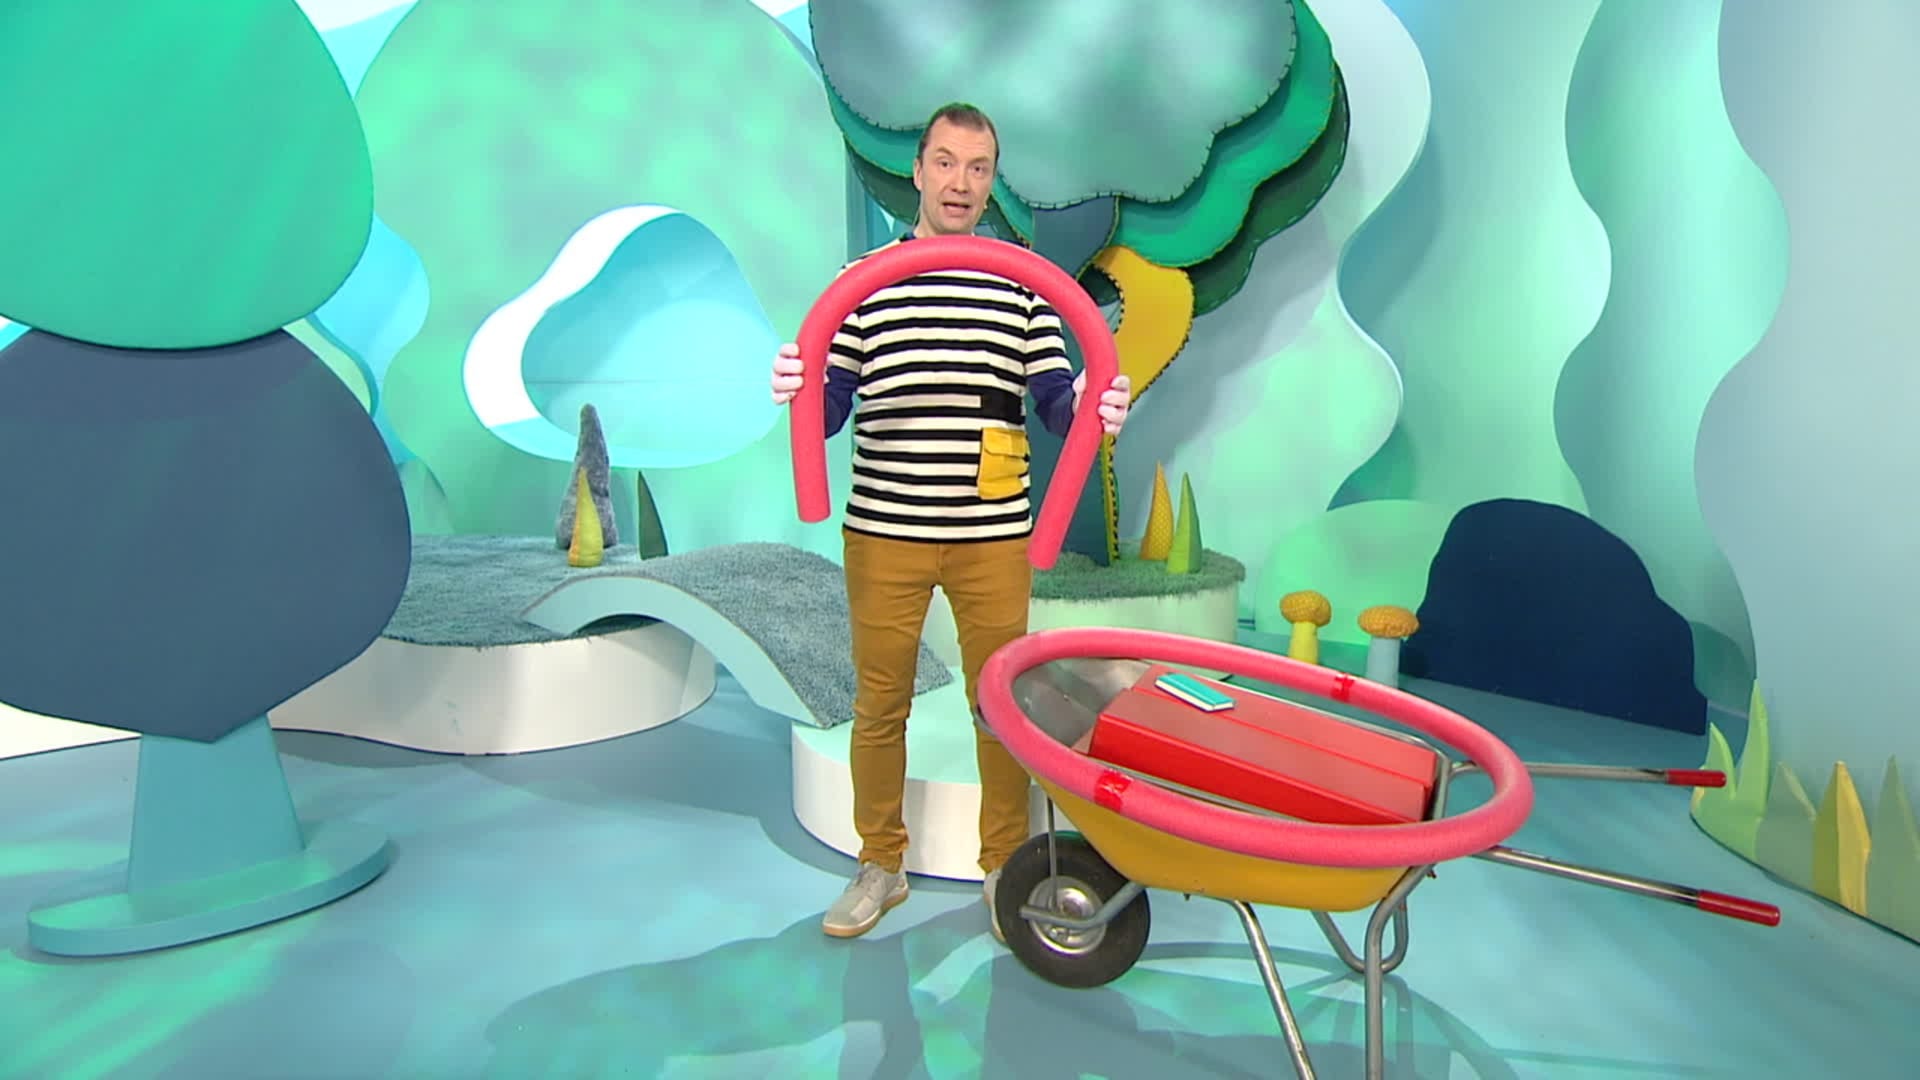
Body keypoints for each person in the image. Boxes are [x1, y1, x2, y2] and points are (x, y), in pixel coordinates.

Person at [770, 102, 1132, 941]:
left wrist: (1092, 401)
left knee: (1000, 704)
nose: (960, 183)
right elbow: (831, 408)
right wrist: (798, 385)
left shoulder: (1023, 283)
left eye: (977, 167)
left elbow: (1053, 402)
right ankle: (880, 863)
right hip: (883, 531)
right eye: (945, 162)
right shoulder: (865, 280)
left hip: (992, 537)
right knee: (879, 705)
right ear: (919, 171)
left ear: (991, 179)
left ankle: (1004, 866)